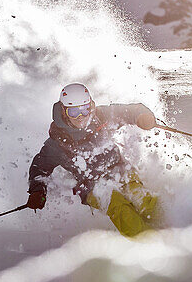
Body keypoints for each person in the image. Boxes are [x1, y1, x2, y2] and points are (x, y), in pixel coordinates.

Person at [26, 83, 160, 237]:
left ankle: (170, 229)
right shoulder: (58, 141)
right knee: (119, 206)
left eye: (84, 109)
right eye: (74, 112)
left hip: (119, 169)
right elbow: (39, 166)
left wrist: (142, 117)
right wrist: (37, 190)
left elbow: (132, 110)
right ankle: (149, 244)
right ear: (64, 111)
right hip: (91, 185)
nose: (80, 117)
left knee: (143, 198)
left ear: (90, 105)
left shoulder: (102, 116)